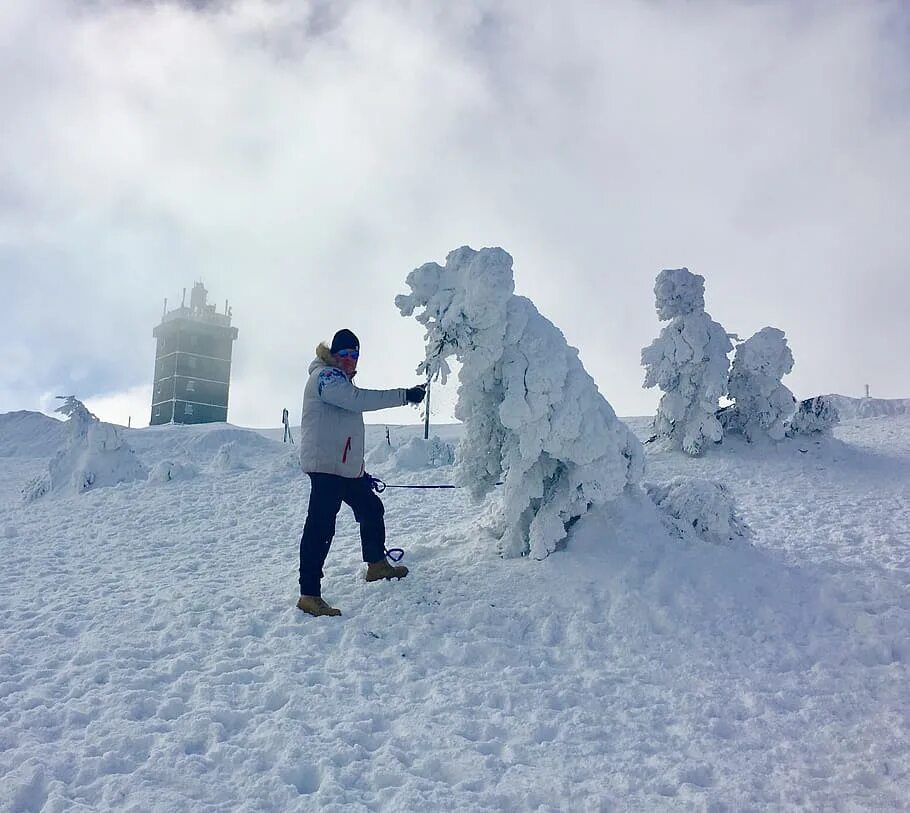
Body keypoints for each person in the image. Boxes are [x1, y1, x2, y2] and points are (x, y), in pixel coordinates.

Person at [296, 328, 426, 617]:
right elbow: (358, 400)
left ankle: (376, 565)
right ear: (333, 355)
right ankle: (309, 594)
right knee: (320, 528)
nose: (350, 360)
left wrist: (358, 470)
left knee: (371, 508)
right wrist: (405, 395)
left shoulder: (339, 381)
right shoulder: (325, 378)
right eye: (344, 354)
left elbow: (345, 431)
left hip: (344, 471)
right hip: (326, 469)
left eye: (355, 355)